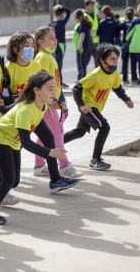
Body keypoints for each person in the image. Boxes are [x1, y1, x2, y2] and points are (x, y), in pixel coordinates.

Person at [0, 70, 79, 224]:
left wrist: (51, 150)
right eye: (49, 89)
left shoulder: (40, 106)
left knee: (13, 181)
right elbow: (27, 142)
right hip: (0, 138)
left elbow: (41, 133)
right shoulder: (26, 110)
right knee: (8, 180)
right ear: (36, 90)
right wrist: (49, 152)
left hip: (12, 141)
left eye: (54, 88)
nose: (54, 92)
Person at [64, 43, 134, 169]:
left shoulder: (114, 74)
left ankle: (52, 144)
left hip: (95, 107)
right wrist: (82, 106)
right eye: (112, 59)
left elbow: (117, 88)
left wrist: (126, 99)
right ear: (102, 60)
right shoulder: (95, 75)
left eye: (117, 58)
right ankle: (95, 159)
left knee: (80, 132)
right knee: (105, 127)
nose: (115, 61)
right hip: (89, 107)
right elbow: (76, 89)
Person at [33, 27, 83, 179]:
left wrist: (60, 97)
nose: (55, 40)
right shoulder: (42, 57)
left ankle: (39, 165)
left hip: (50, 100)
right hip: (47, 101)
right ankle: (64, 166)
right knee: (57, 131)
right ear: (41, 42)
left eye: (55, 37)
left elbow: (55, 83)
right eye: (51, 38)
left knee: (46, 134)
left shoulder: (48, 56)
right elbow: (42, 82)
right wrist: (53, 99)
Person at [52, 4, 71, 88]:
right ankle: (59, 82)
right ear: (62, 14)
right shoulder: (62, 22)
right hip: (61, 44)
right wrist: (62, 6)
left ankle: (55, 81)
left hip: (52, 44)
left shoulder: (51, 23)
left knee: (53, 64)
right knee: (59, 64)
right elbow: (69, 12)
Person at [73, 9, 92, 81]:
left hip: (81, 48)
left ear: (76, 17)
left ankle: (82, 78)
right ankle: (80, 77)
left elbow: (82, 34)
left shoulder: (81, 24)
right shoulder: (80, 24)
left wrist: (80, 44)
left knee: (81, 63)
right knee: (81, 62)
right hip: (80, 47)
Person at [119, 8, 136, 84]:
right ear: (133, 15)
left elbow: (117, 30)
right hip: (133, 45)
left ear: (125, 15)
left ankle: (125, 79)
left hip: (125, 45)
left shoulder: (123, 24)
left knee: (125, 63)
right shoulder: (135, 23)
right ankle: (134, 78)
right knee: (133, 62)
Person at [84, 0, 100, 67]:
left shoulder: (95, 15)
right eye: (91, 5)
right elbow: (87, 32)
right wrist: (91, 43)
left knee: (97, 61)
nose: (93, 7)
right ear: (86, 6)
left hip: (96, 42)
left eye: (93, 5)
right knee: (85, 61)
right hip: (89, 43)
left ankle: (96, 77)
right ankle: (82, 75)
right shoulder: (85, 17)